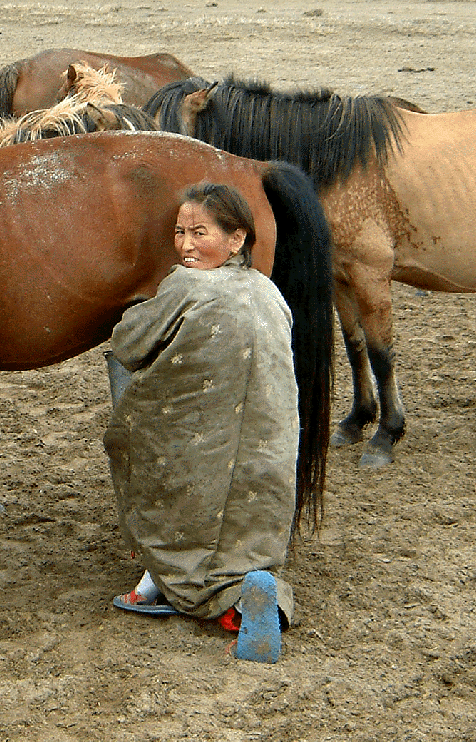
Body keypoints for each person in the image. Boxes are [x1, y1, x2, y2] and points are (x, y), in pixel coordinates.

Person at [103, 183, 298, 663]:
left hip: (199, 444)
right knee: (246, 525)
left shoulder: (186, 285)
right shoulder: (268, 291)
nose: (186, 246)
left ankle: (162, 586)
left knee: (140, 440)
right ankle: (252, 596)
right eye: (179, 232)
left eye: (199, 233)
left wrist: (135, 312)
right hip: (270, 449)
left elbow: (128, 344)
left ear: (237, 239)